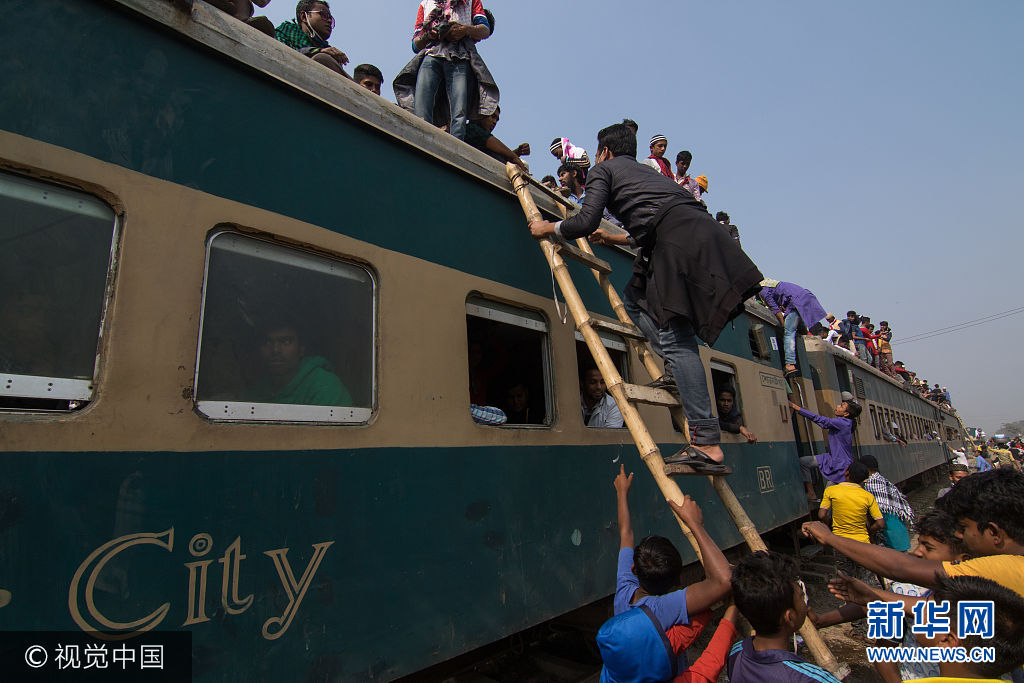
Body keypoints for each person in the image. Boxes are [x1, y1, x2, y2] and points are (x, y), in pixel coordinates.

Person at [528, 123, 763, 473]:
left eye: (596, 152)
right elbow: (655, 221)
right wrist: (616, 240)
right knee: (635, 299)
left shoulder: (603, 170)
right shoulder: (646, 174)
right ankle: (673, 372)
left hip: (676, 245)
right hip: (695, 238)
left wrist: (549, 228)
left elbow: (586, 218)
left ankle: (706, 443)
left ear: (604, 152)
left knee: (677, 337)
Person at [801, 468, 1024, 598]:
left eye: (964, 528)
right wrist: (877, 598)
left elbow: (900, 567)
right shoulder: (1007, 567)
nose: (958, 535)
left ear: (994, 533)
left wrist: (830, 537)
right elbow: (924, 608)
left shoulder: (1004, 569)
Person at [612, 465, 732, 633]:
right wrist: (696, 525)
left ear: (633, 569)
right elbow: (724, 581)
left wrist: (621, 493)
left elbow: (625, 532)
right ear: (677, 582)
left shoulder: (624, 590)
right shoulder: (663, 609)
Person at [728, 551, 842, 683]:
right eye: (801, 597)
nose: (807, 606)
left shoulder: (737, 653)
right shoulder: (813, 679)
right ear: (790, 617)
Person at [393, 0, 494, 142]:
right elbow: (416, 45)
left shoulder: (471, 1)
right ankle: (420, 142)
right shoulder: (426, 3)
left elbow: (485, 29)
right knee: (422, 105)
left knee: (458, 111)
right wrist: (429, 34)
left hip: (460, 56)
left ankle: (456, 147)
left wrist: (465, 29)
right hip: (432, 54)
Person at [250, 321, 351, 406]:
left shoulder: (326, 386)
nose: (275, 350)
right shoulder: (256, 389)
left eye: (286, 341)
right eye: (268, 342)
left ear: (301, 349)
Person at [818, 460, 885, 586]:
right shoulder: (867, 496)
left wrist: (832, 526)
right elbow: (880, 523)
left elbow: (822, 515)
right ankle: (869, 603)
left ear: (846, 473)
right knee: (867, 581)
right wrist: (869, 531)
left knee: (845, 580)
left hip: (841, 543)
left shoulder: (831, 491)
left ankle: (851, 604)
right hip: (863, 544)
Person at [789, 398, 862, 500]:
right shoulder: (845, 422)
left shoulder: (844, 423)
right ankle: (811, 492)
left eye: (841, 406)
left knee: (829, 497)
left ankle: (827, 513)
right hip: (830, 458)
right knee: (803, 462)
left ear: (846, 414)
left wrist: (796, 408)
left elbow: (821, 420)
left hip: (840, 465)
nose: (837, 406)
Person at [757, 280, 828, 376]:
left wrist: (783, 325)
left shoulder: (763, 290)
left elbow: (776, 311)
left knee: (789, 332)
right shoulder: (769, 283)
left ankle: (790, 364)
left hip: (796, 302)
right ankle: (803, 331)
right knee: (798, 324)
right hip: (805, 296)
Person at [275, 1, 350, 76]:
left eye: (331, 18)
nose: (329, 21)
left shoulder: (329, 51)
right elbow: (281, 52)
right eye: (324, 14)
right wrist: (317, 52)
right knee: (322, 59)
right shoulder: (288, 29)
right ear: (304, 17)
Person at [859, 455, 913, 551]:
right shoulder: (886, 483)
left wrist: (869, 532)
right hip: (902, 539)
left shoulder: (869, 487)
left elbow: (880, 524)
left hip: (889, 542)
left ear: (865, 469)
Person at [464, 106, 529, 170]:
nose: (494, 122)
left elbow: (503, 157)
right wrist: (515, 157)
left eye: (496, 120)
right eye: (492, 116)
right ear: (482, 114)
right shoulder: (472, 129)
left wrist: (517, 152)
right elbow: (488, 140)